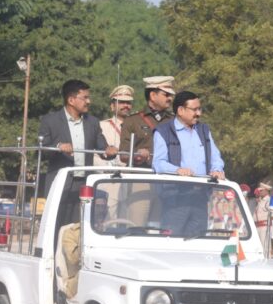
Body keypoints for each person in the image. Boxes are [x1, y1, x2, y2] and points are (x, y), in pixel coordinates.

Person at [39, 79, 117, 224]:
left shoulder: (92, 122)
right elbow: (42, 150)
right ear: (71, 100)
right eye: (85, 97)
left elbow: (102, 147)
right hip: (60, 182)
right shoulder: (50, 120)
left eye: (89, 97)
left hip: (84, 184)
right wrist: (58, 146)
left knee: (80, 226)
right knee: (55, 225)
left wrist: (109, 150)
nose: (89, 101)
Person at [56, 192, 108, 304]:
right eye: (97, 207)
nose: (100, 211)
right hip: (75, 284)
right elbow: (73, 260)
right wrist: (91, 234)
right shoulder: (71, 232)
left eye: (103, 207)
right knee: (92, 271)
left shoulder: (112, 231)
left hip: (104, 282)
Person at [153, 91, 225, 179]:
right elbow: (158, 163)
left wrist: (217, 170)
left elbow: (215, 157)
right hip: (175, 189)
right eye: (194, 110)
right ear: (180, 110)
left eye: (199, 109)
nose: (199, 114)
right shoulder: (163, 132)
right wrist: (177, 170)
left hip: (203, 189)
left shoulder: (204, 130)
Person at [119, 76, 175, 167]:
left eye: (171, 95)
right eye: (166, 95)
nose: (170, 98)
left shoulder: (174, 121)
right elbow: (123, 154)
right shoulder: (132, 120)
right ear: (153, 95)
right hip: (141, 176)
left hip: (167, 176)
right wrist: (137, 154)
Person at [93, 85, 134, 167]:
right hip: (109, 175)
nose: (126, 105)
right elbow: (95, 155)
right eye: (121, 102)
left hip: (134, 174)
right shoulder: (101, 126)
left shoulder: (136, 126)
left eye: (128, 103)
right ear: (112, 106)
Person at [253, 182, 272, 252]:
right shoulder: (261, 201)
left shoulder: (268, 200)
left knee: (265, 247)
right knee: (259, 248)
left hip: (264, 227)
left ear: (266, 191)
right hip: (258, 226)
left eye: (261, 190)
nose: (260, 192)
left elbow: (272, 214)